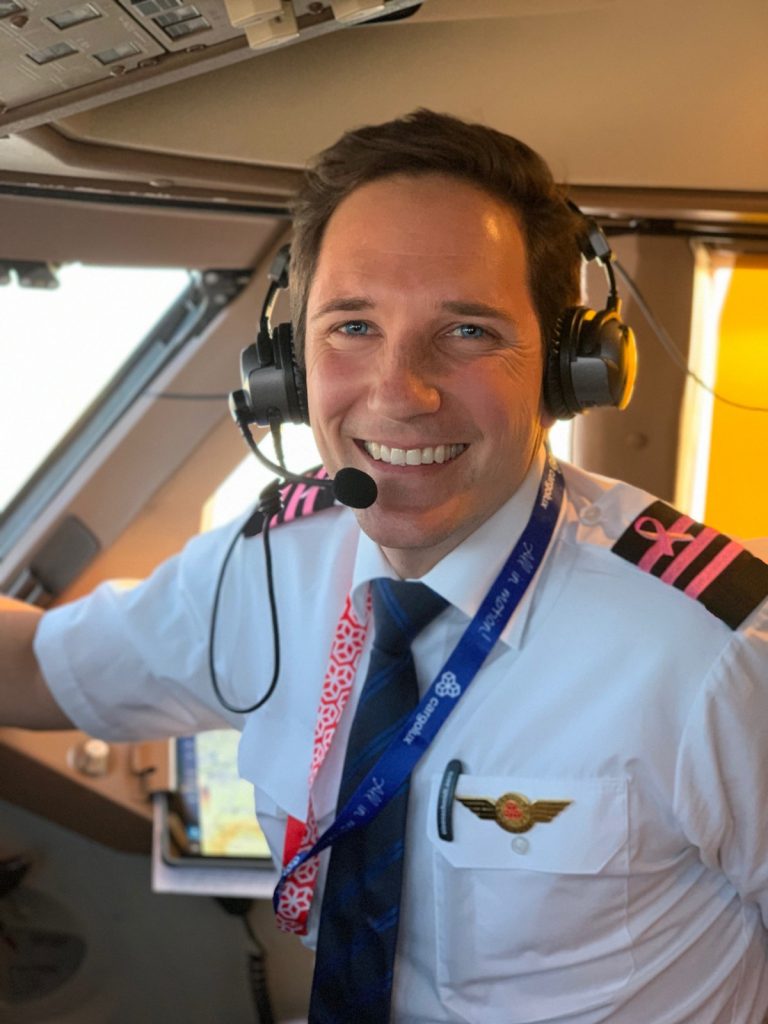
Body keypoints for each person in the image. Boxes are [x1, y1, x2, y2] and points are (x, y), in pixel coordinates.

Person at [2, 109, 768, 1023]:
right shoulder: (268, 567)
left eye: (470, 331)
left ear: (569, 367)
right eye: (354, 324)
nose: (400, 392)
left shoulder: (718, 650)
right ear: (287, 363)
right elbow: (35, 666)